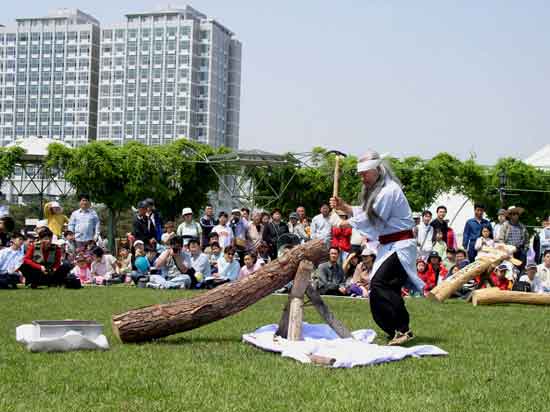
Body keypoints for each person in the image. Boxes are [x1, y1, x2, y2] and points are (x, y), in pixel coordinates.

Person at [331, 149, 424, 346]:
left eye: (365, 173)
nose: (362, 178)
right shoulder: (379, 191)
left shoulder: (390, 190)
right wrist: (345, 207)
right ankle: (393, 329)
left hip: (400, 245)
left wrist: (344, 223)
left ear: (377, 170)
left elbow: (372, 218)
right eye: (360, 174)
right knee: (378, 288)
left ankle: (403, 329)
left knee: (382, 284)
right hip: (388, 245)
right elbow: (367, 212)